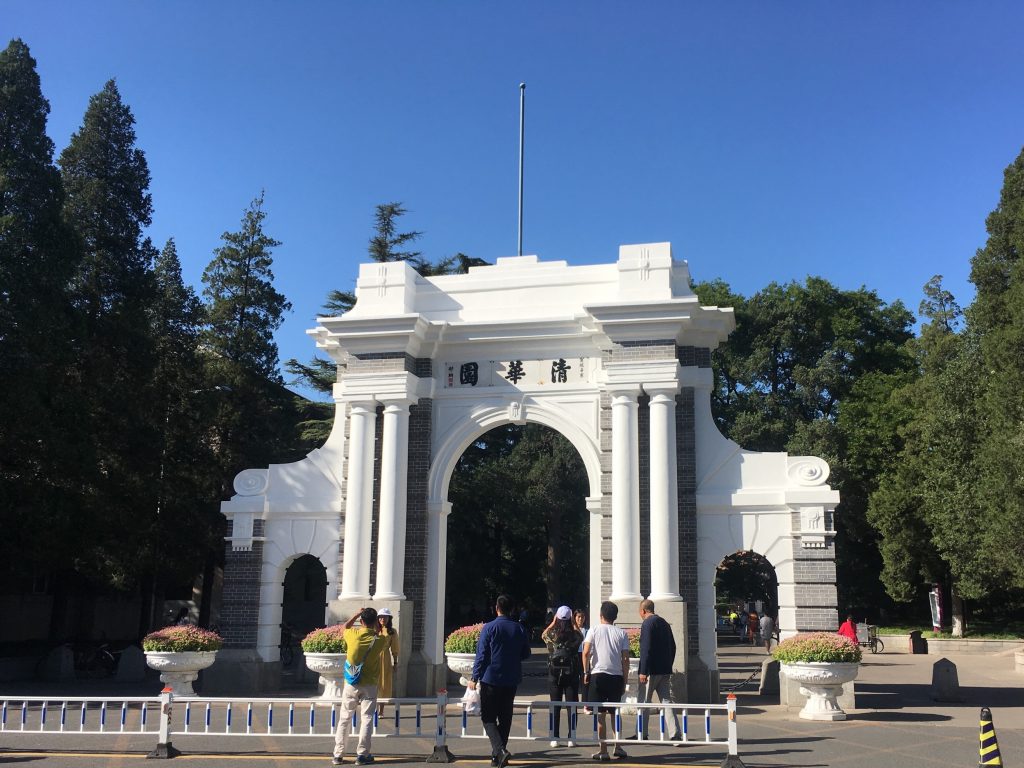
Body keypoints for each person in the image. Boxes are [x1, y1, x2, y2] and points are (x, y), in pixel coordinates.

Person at [468, 595, 531, 768]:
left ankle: (500, 751)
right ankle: (498, 755)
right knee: (505, 717)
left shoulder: (489, 627)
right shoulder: (519, 628)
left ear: (496, 608)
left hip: (491, 678)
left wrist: (474, 676)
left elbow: (481, 655)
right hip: (511, 678)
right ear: (511, 609)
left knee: (488, 717)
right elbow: (526, 653)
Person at [332, 607, 387, 766]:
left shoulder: (352, 635)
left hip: (351, 683)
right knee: (367, 719)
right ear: (376, 622)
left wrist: (356, 613)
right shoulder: (380, 640)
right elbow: (381, 633)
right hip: (369, 684)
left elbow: (345, 627)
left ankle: (338, 754)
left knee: (344, 718)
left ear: (361, 621)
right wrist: (378, 625)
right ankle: (362, 754)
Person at [582, 601, 629, 762]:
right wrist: (625, 680)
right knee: (615, 713)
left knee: (600, 715)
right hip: (616, 676)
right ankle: (618, 746)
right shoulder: (621, 633)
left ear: (601, 615)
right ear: (615, 617)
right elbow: (625, 659)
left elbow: (586, 651)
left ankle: (603, 750)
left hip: (598, 675)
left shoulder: (593, 630)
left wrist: (585, 671)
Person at [633, 599, 681, 741]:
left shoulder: (647, 624)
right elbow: (673, 646)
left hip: (650, 671)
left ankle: (641, 733)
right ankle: (675, 734)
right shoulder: (664, 623)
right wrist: (668, 664)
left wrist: (643, 671)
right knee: (666, 702)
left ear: (643, 611)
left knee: (643, 701)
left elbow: (645, 649)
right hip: (664, 670)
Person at [541, 605, 584, 748]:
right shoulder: (574, 635)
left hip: (554, 675)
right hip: (571, 674)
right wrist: (573, 624)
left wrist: (553, 623)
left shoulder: (552, 634)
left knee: (555, 705)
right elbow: (581, 636)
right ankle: (571, 737)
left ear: (557, 618)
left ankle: (555, 737)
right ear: (571, 618)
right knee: (572, 705)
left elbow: (543, 635)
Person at [376, 608, 400, 717]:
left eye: (385, 617)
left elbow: (395, 647)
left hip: (385, 658)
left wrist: (395, 662)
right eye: (380, 617)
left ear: (389, 618)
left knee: (384, 682)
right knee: (373, 682)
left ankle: (381, 710)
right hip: (373, 657)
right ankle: (373, 708)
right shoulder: (374, 629)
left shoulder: (392, 631)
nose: (382, 619)